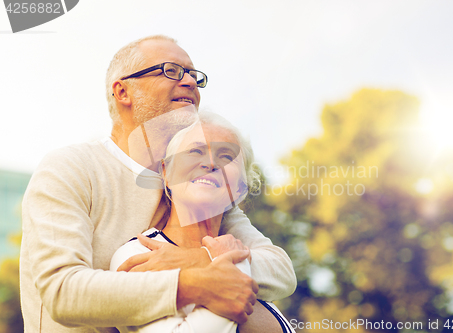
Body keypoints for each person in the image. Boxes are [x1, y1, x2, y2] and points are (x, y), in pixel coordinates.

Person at [20, 35, 296, 333]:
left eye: (193, 74)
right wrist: (192, 283)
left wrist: (198, 259)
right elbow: (63, 292)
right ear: (123, 91)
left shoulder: (197, 188)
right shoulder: (71, 167)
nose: (190, 81)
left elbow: (279, 270)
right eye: (171, 71)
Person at [110, 112, 295, 333]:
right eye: (195, 151)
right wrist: (231, 266)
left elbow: (284, 273)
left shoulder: (246, 256)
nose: (210, 163)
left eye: (226, 156)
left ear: (240, 189)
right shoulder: (139, 253)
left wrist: (214, 259)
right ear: (167, 173)